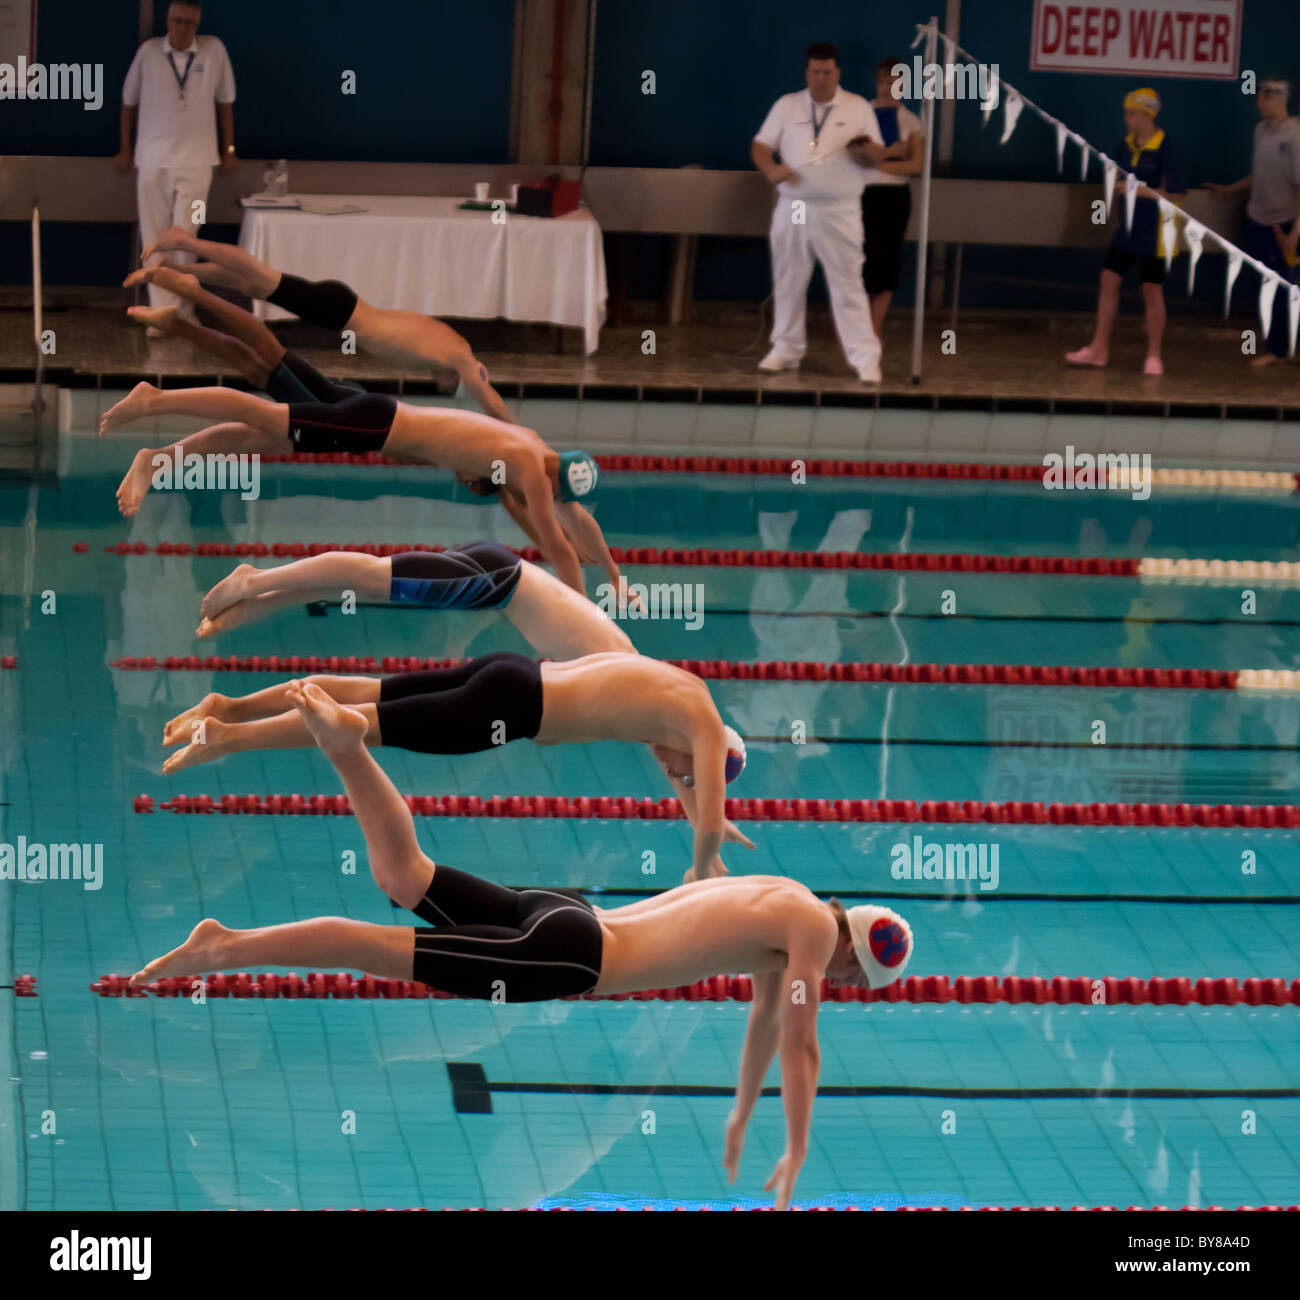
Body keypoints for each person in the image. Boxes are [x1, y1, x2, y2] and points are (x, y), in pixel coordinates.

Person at [131, 680, 915, 1209]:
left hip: (564, 915)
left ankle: (345, 752)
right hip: (570, 961)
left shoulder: (783, 903)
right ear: (853, 950)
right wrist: (799, 1149)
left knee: (407, 877)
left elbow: (767, 1026)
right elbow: (802, 1044)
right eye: (852, 979)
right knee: (381, 947)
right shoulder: (811, 935)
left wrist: (744, 1117)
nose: (839, 985)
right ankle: (226, 944)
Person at [160, 648, 754, 882]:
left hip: (510, 672)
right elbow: (699, 819)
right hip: (509, 708)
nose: (680, 770)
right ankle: (229, 738)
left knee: (371, 690)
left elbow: (678, 775)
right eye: (695, 770)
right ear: (713, 752)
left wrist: (704, 805)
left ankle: (228, 706)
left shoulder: (684, 697)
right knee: (361, 724)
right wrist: (706, 866)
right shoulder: (699, 725)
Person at [97, 382, 611, 598]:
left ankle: (160, 459)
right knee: (261, 415)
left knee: (261, 436)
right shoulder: (526, 467)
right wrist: (588, 625)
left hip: (376, 420)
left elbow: (573, 522)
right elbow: (560, 546)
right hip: (374, 426)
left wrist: (616, 576)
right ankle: (156, 399)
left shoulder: (536, 449)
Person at [139, 225, 512, 420]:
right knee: (258, 275)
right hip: (341, 312)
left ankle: (178, 267)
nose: (443, 385)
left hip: (342, 305)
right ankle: (185, 241)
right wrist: (526, 440)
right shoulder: (460, 359)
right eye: (450, 386)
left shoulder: (447, 341)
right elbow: (491, 403)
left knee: (252, 282)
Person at [188, 543, 635, 660]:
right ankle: (255, 581)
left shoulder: (615, 659)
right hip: (494, 581)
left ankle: (256, 604)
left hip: (496, 582)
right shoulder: (624, 671)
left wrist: (462, 635)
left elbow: (532, 608)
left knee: (364, 584)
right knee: (369, 575)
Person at [751, 42, 889, 384]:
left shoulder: (857, 107)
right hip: (796, 205)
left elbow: (877, 155)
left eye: (828, 71)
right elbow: (761, 145)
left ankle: (865, 358)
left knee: (848, 284)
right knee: (789, 279)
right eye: (816, 72)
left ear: (837, 73)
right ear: (807, 73)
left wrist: (866, 153)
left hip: (838, 209)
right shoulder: (788, 105)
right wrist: (771, 170)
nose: (822, 78)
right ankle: (785, 347)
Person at [115, 2, 237, 325]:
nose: (182, 28)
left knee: (187, 238)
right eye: (177, 21)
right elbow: (128, 102)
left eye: (189, 22)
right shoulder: (149, 52)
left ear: (197, 23)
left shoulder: (213, 51)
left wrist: (229, 148)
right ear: (167, 21)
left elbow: (226, 102)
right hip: (152, 162)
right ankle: (160, 314)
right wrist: (126, 149)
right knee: (154, 239)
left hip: (198, 164)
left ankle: (182, 312)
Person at [1066, 88, 1186, 376]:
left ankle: (1154, 355)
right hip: (1127, 230)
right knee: (1108, 280)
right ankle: (1098, 349)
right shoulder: (1126, 144)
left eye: (1131, 113)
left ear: (1147, 116)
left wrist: (1137, 190)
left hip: (1157, 231)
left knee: (1151, 290)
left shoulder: (1167, 148)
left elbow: (1176, 194)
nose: (1126, 118)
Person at [123, 263, 365, 404]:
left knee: (255, 368)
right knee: (270, 353)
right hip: (355, 415)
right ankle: (195, 293)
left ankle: (176, 325)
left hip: (355, 411)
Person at [1206, 78, 1300, 367]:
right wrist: (1228, 189)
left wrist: (1295, 233)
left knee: (1284, 288)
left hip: (1282, 226)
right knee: (1264, 286)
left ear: (1280, 99)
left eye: (1264, 98)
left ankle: (1282, 350)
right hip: (1256, 221)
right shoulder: (1260, 131)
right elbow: (1259, 174)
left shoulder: (1295, 136)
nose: (1259, 103)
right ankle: (1276, 345)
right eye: (1258, 98)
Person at [861, 57, 924, 342]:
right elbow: (855, 155)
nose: (886, 88)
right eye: (881, 82)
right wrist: (893, 152)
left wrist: (881, 160)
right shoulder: (861, 113)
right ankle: (859, 328)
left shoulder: (911, 121)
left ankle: (874, 329)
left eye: (892, 82)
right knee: (860, 262)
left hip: (894, 199)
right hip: (862, 195)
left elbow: (916, 165)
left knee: (886, 264)